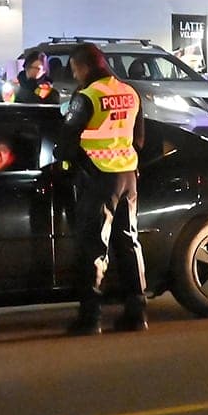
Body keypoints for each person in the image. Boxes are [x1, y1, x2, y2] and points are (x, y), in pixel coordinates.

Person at [59, 42, 149, 335]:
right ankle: (137, 314)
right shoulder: (129, 92)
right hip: (127, 175)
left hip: (99, 178)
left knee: (94, 247)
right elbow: (139, 139)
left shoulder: (87, 97)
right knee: (129, 242)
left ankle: (90, 317)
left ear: (84, 66)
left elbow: (66, 142)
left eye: (74, 69)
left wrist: (76, 166)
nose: (74, 75)